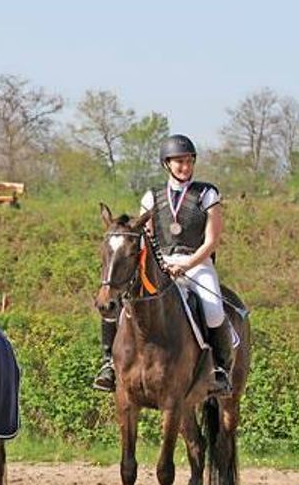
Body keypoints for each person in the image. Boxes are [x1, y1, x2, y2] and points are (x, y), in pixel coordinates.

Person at [94, 134, 235, 396]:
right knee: (120, 302)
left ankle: (220, 370)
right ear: (166, 164)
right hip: (161, 264)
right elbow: (147, 238)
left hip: (197, 263)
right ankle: (108, 365)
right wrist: (161, 264)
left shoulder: (206, 193)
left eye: (189, 160)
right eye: (179, 161)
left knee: (214, 309)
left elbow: (213, 239)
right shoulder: (152, 197)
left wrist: (188, 264)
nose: (185, 166)